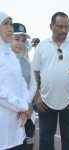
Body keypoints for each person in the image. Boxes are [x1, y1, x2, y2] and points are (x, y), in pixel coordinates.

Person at [33, 12, 69, 150]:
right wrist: (37, 96)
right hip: (45, 101)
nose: (64, 30)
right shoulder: (42, 47)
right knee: (45, 139)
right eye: (60, 26)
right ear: (51, 26)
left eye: (66, 27)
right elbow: (35, 73)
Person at [0, 12, 33, 150]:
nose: (10, 28)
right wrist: (24, 107)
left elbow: (22, 84)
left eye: (11, 24)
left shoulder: (10, 55)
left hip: (18, 125)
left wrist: (26, 107)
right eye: (5, 24)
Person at [11, 23, 37, 150]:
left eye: (23, 40)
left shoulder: (26, 61)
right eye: (17, 39)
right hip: (9, 112)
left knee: (26, 144)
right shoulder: (4, 60)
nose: (20, 43)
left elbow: (33, 84)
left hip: (26, 112)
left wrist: (27, 104)